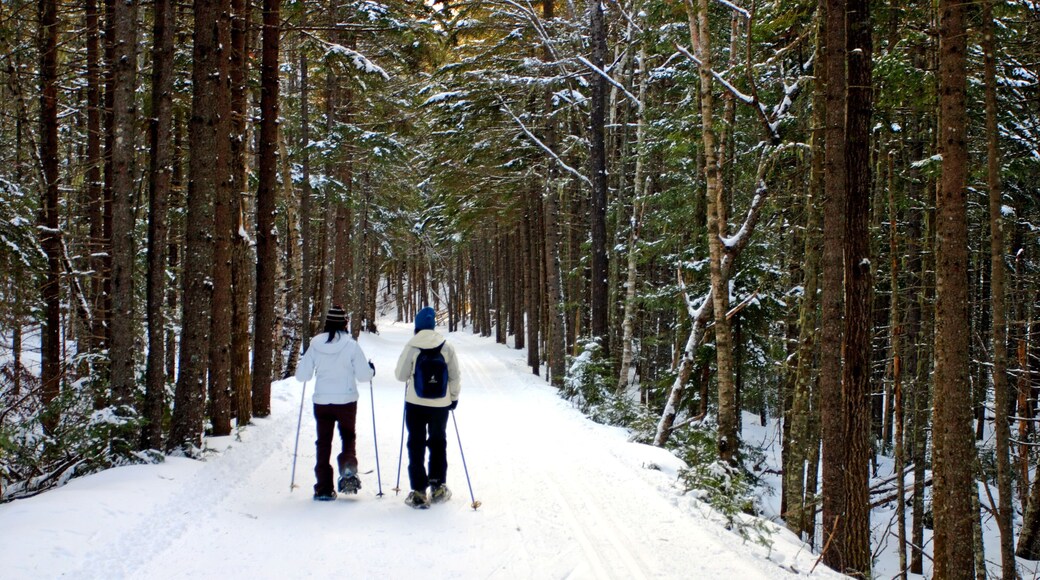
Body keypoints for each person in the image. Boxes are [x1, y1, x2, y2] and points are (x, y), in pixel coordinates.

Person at [295, 305, 376, 501]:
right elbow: (365, 376)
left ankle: (323, 487)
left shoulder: (315, 344)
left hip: (322, 401)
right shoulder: (351, 345)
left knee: (323, 442)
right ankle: (348, 467)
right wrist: (371, 369)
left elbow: (302, 376)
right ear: (344, 323)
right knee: (348, 436)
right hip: (346, 400)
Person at [394, 306, 461, 508]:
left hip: (415, 403)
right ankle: (438, 485)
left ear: (417, 326)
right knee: (438, 441)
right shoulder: (446, 346)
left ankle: (418, 490)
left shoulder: (412, 346)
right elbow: (455, 375)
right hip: (441, 404)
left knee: (415, 443)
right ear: (433, 326)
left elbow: (400, 375)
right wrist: (454, 398)